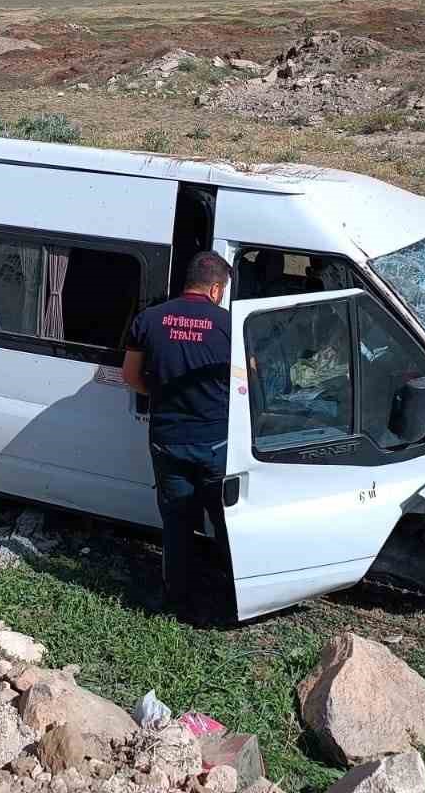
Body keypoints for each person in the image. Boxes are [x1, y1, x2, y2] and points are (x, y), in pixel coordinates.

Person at [121, 251, 234, 626]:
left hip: (167, 440)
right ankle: (233, 593)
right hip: (216, 444)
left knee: (177, 523)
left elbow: (130, 376)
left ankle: (178, 598)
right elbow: (247, 381)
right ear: (216, 288)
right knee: (227, 520)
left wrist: (159, 394)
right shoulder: (229, 326)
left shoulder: (149, 320)